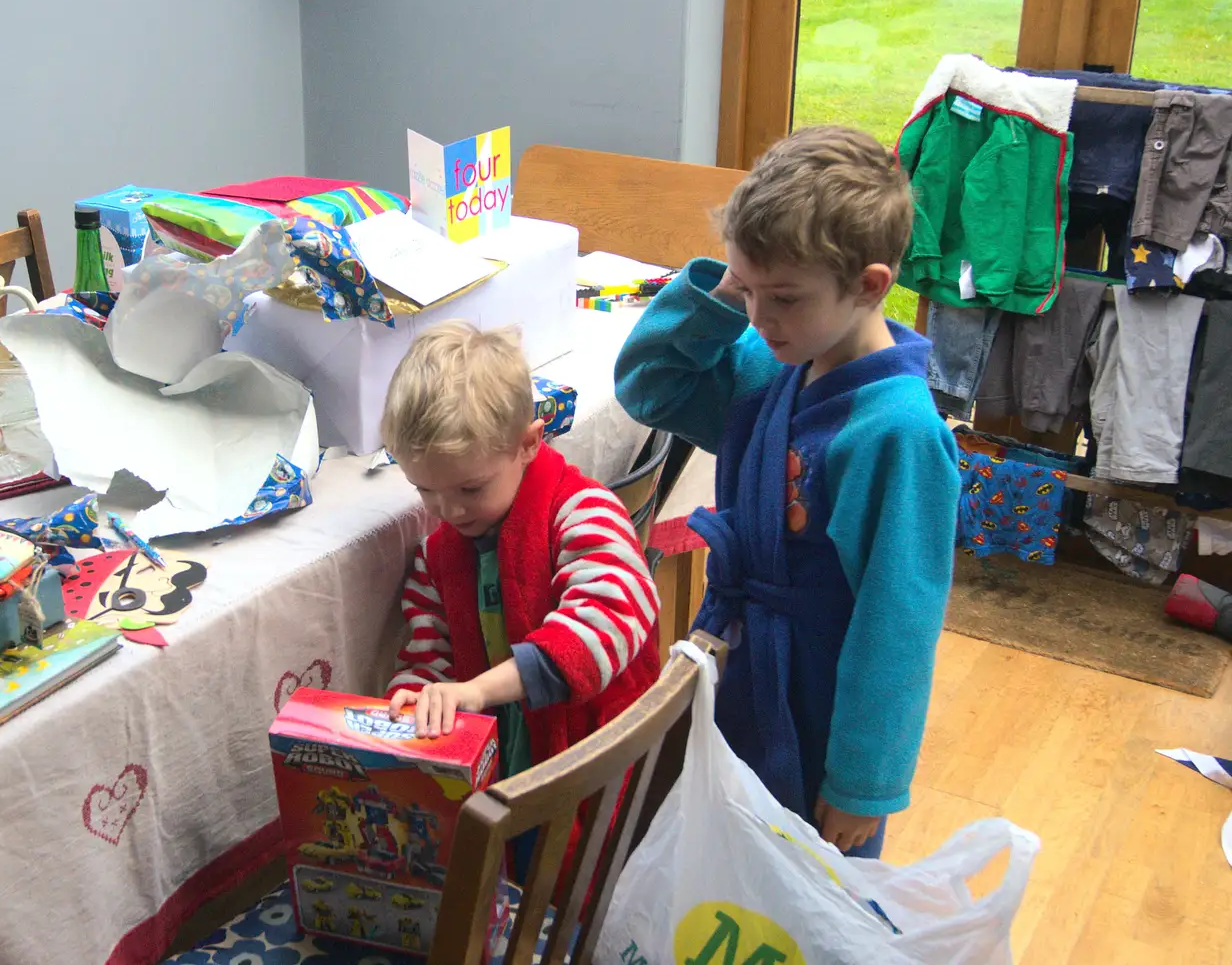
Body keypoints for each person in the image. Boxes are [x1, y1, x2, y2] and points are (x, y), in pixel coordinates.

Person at [613, 126, 959, 858]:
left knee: (810, 889)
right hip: (738, 668)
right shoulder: (772, 365)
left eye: (786, 297)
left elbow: (898, 624)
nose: (761, 319)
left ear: (870, 285)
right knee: (731, 872)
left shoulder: (897, 433)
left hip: (822, 705)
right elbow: (649, 385)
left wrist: (863, 783)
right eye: (749, 290)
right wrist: (719, 293)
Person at [381, 321, 660, 794]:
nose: (448, 511)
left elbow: (604, 625)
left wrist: (477, 691)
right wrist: (416, 697)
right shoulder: (438, 556)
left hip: (593, 771)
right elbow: (430, 654)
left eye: (471, 488)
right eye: (424, 490)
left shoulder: (582, 513)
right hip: (508, 773)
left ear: (530, 443)